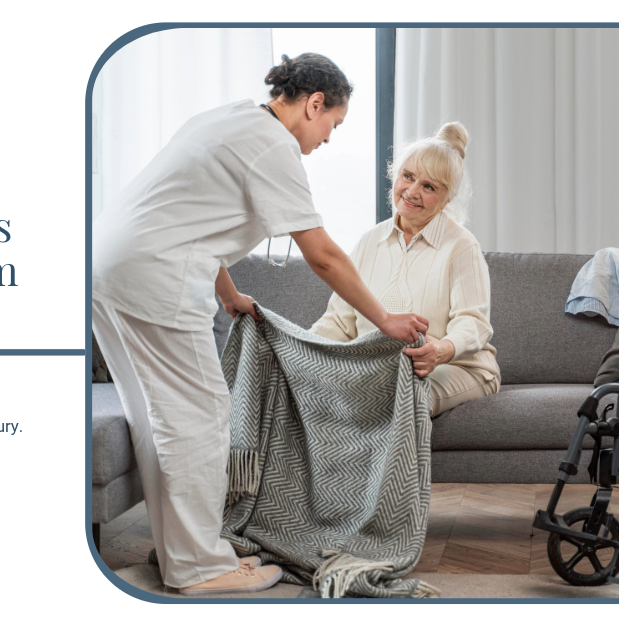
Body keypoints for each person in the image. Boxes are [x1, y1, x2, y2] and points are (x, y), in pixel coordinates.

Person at [92, 53, 429, 595]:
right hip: (156, 278)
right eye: (334, 122)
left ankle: (183, 555)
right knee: (201, 418)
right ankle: (201, 569)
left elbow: (188, 216)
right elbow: (323, 255)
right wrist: (384, 319)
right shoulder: (272, 146)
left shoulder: (229, 119)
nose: (329, 138)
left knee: (157, 418)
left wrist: (228, 294)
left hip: (109, 269)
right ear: (314, 104)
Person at [309, 122, 500, 416]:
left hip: (460, 367)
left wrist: (441, 349)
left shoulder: (462, 246)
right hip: (383, 369)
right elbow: (339, 321)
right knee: (323, 393)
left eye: (428, 187)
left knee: (395, 397)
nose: (411, 191)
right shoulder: (369, 241)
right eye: (407, 176)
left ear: (447, 199)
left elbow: (474, 323)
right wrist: (304, 350)